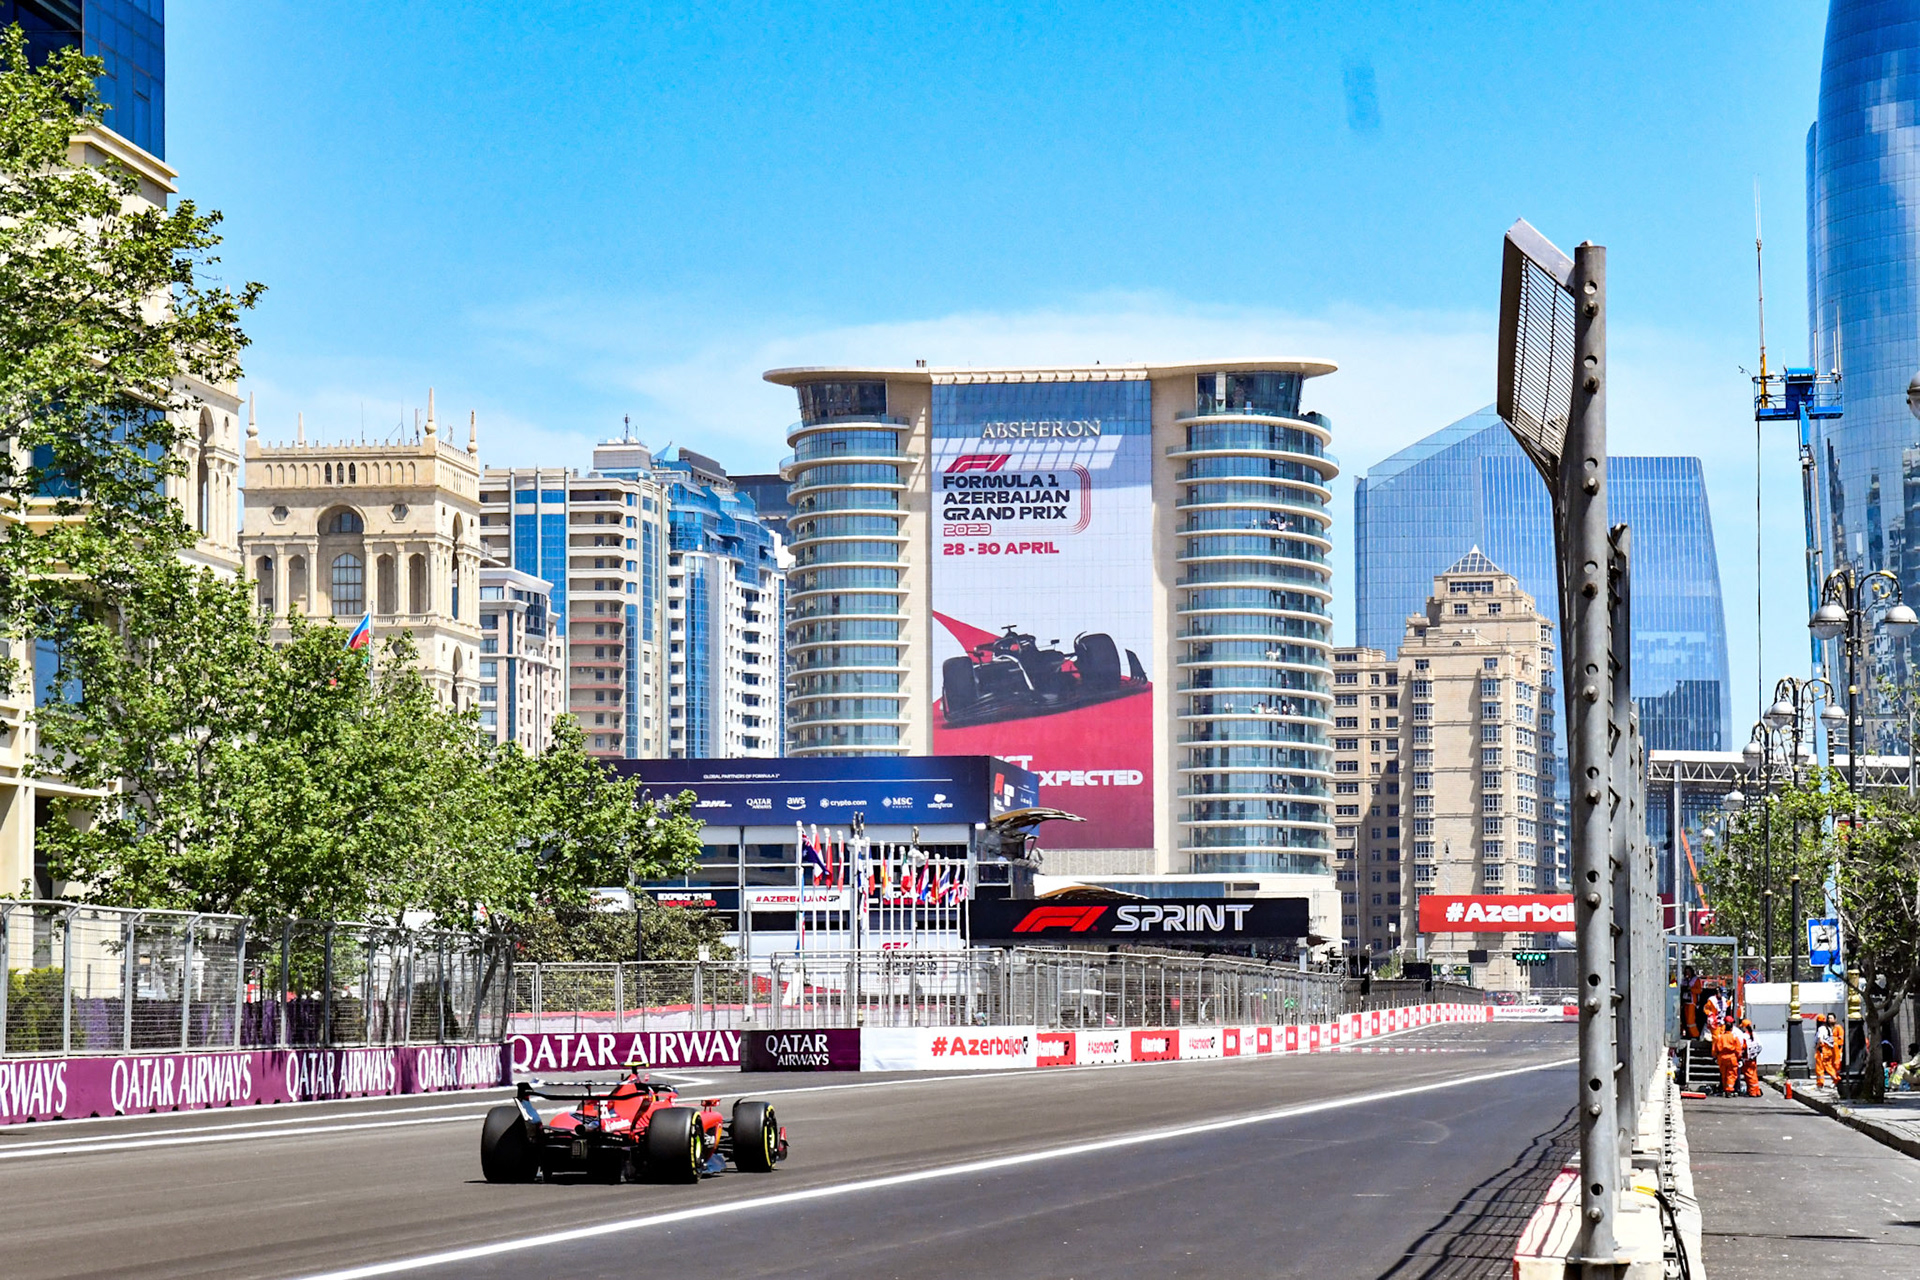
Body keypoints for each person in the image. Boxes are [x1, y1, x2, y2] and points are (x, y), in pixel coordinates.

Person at [1712, 1017, 1740, 1096]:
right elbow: (1738, 1050)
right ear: (1731, 1028)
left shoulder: (1720, 1037)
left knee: (1723, 1074)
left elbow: (1714, 1049)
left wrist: (1715, 1056)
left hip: (1722, 1057)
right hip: (1731, 1057)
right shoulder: (1734, 1037)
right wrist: (1739, 1058)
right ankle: (1729, 1090)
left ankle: (1724, 1089)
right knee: (1731, 1074)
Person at [1813, 1014, 1840, 1088]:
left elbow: (1820, 1040)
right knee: (1828, 1066)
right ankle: (1836, 1079)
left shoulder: (1821, 1029)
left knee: (1820, 1067)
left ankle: (1820, 1083)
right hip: (1829, 1049)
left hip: (1822, 1049)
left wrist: (1817, 1048)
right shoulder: (1828, 1028)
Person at [1738, 1019, 1762, 1097]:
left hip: (1747, 1059)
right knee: (1754, 1075)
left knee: (1749, 1076)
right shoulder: (1754, 1035)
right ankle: (1756, 1091)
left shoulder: (1744, 1036)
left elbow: (1741, 1047)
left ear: (1744, 1027)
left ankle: (1752, 1092)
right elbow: (1760, 1046)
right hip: (1753, 1059)